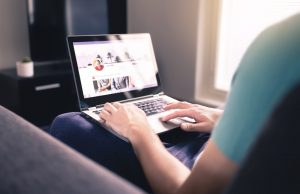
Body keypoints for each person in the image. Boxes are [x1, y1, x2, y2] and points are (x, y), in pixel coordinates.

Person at [49, 14, 300, 194]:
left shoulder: (284, 45)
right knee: (177, 121)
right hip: (220, 151)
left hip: (196, 174)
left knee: (66, 124)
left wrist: (139, 128)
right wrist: (223, 119)